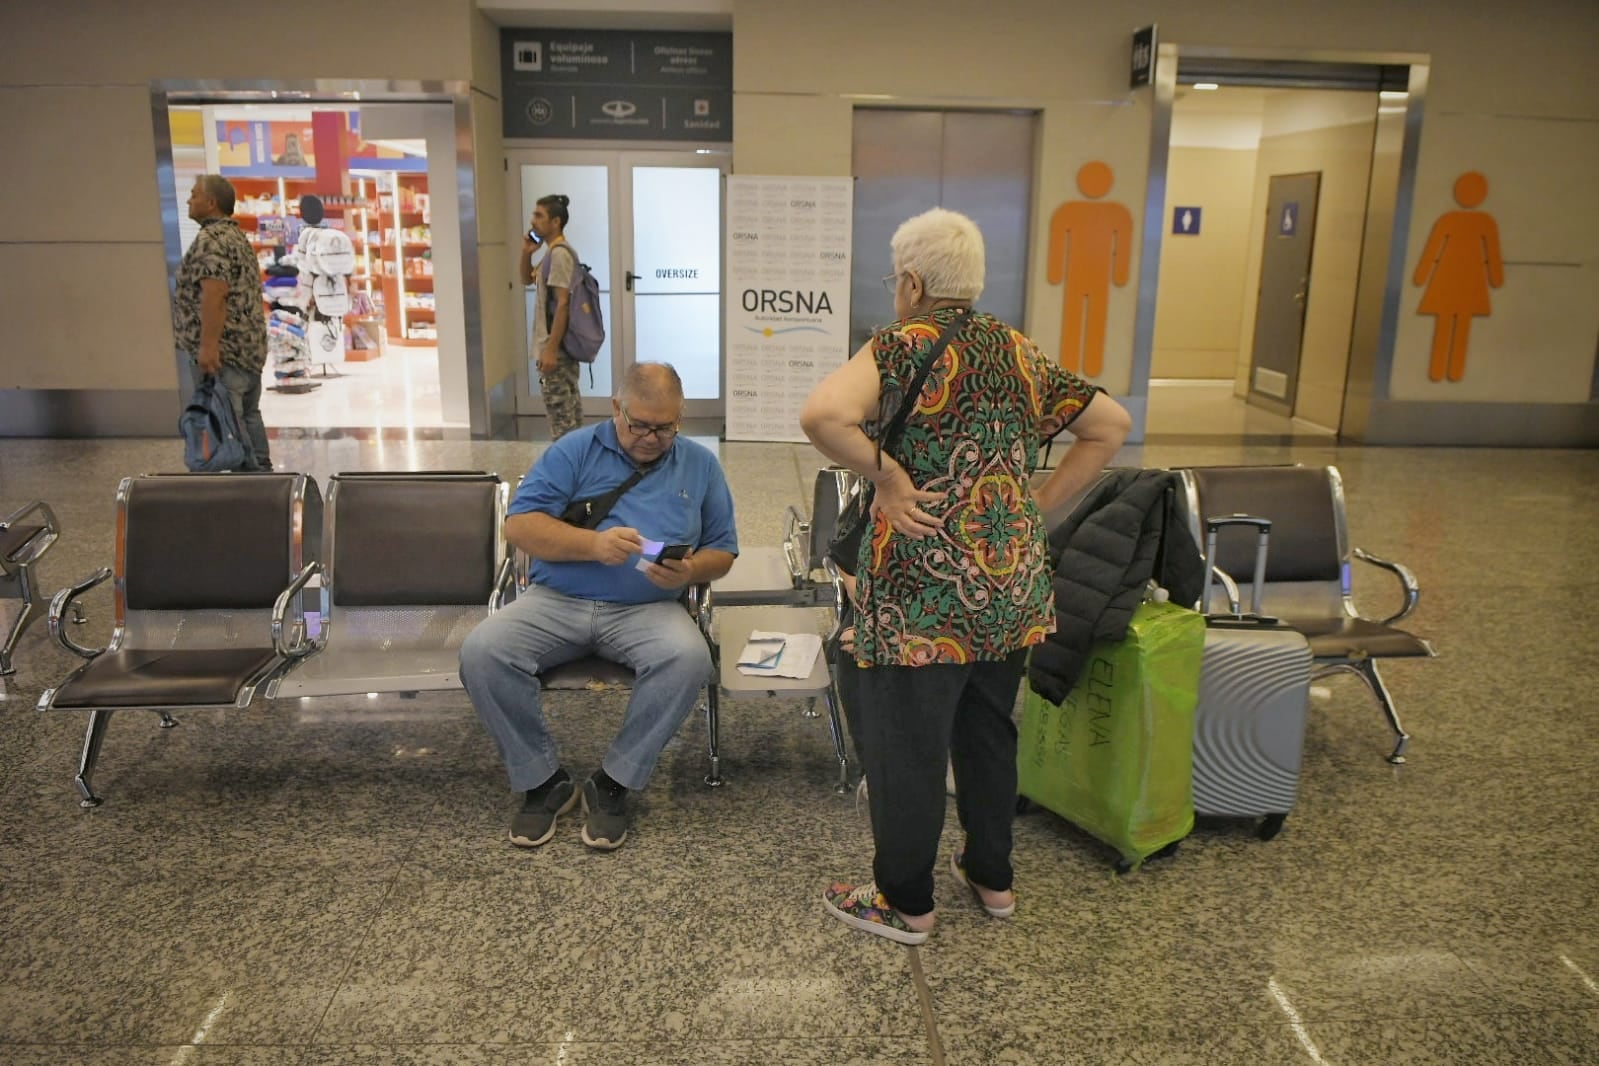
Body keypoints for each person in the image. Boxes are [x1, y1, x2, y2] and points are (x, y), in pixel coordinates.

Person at [800, 207, 1132, 944]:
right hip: (1008, 584)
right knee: (987, 733)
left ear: (912, 283)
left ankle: (905, 902)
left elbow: (823, 414)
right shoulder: (1018, 351)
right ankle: (992, 876)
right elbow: (1110, 425)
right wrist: (1035, 506)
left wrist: (884, 476)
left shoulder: (901, 344)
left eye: (895, 279)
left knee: (907, 745)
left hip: (922, 586)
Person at [460, 362, 738, 851]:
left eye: (666, 427)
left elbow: (723, 550)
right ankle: (542, 780)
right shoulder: (573, 452)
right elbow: (520, 527)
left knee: (690, 658)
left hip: (648, 608)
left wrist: (691, 571)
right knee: (482, 652)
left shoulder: (699, 465)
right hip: (556, 600)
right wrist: (592, 546)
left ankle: (614, 782)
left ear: (680, 417)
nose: (652, 438)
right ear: (616, 408)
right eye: (641, 425)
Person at [173, 174, 272, 470]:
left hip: (225, 353)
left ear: (211, 202)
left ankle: (249, 484)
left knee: (231, 420)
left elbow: (214, 292)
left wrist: (208, 346)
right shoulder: (238, 238)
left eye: (194, 194)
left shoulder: (211, 240)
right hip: (249, 348)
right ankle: (267, 480)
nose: (189, 200)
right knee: (248, 414)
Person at [520, 193, 583, 439]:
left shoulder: (559, 255)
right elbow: (526, 278)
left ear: (556, 222)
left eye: (539, 216)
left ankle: (568, 472)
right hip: (558, 349)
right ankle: (576, 469)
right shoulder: (551, 253)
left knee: (562, 422)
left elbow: (563, 304)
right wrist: (526, 252)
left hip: (557, 350)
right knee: (568, 414)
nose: (533, 220)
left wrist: (550, 349)